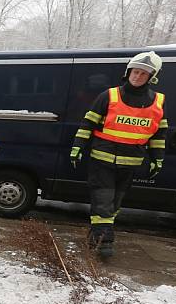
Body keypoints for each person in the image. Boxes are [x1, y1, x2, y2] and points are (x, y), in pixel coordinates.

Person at [70, 51, 168, 258]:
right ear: (128, 71)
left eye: (143, 74)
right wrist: (78, 146)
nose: (138, 76)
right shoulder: (110, 95)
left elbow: (159, 133)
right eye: (136, 71)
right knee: (103, 200)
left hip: (131, 163)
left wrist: (157, 158)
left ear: (152, 77)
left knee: (114, 204)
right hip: (102, 160)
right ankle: (105, 241)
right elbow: (88, 123)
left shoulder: (157, 102)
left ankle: (96, 234)